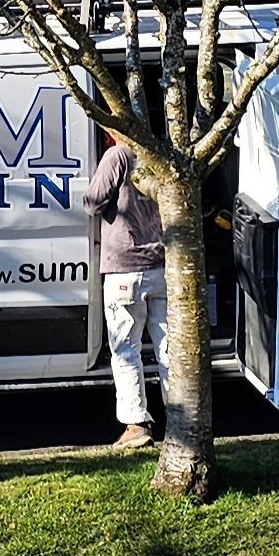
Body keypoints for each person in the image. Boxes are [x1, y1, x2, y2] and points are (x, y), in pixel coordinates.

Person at [85, 136, 169, 450]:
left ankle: (137, 424)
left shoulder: (118, 156)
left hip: (124, 266)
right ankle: (179, 418)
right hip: (160, 264)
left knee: (126, 350)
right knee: (169, 348)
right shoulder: (159, 154)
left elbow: (93, 202)